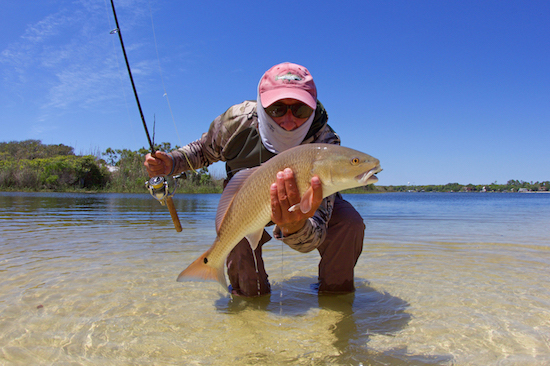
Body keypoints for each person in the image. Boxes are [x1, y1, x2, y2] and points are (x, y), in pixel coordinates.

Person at [144, 62, 365, 297]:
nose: (288, 121)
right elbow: (203, 150)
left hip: (304, 205)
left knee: (349, 223)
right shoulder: (236, 121)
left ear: (313, 107)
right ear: (262, 104)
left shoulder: (325, 141)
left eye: (300, 110)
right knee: (246, 280)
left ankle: (335, 298)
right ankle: (247, 301)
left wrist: (295, 226)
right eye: (277, 109)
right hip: (247, 200)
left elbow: (314, 236)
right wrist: (171, 161)